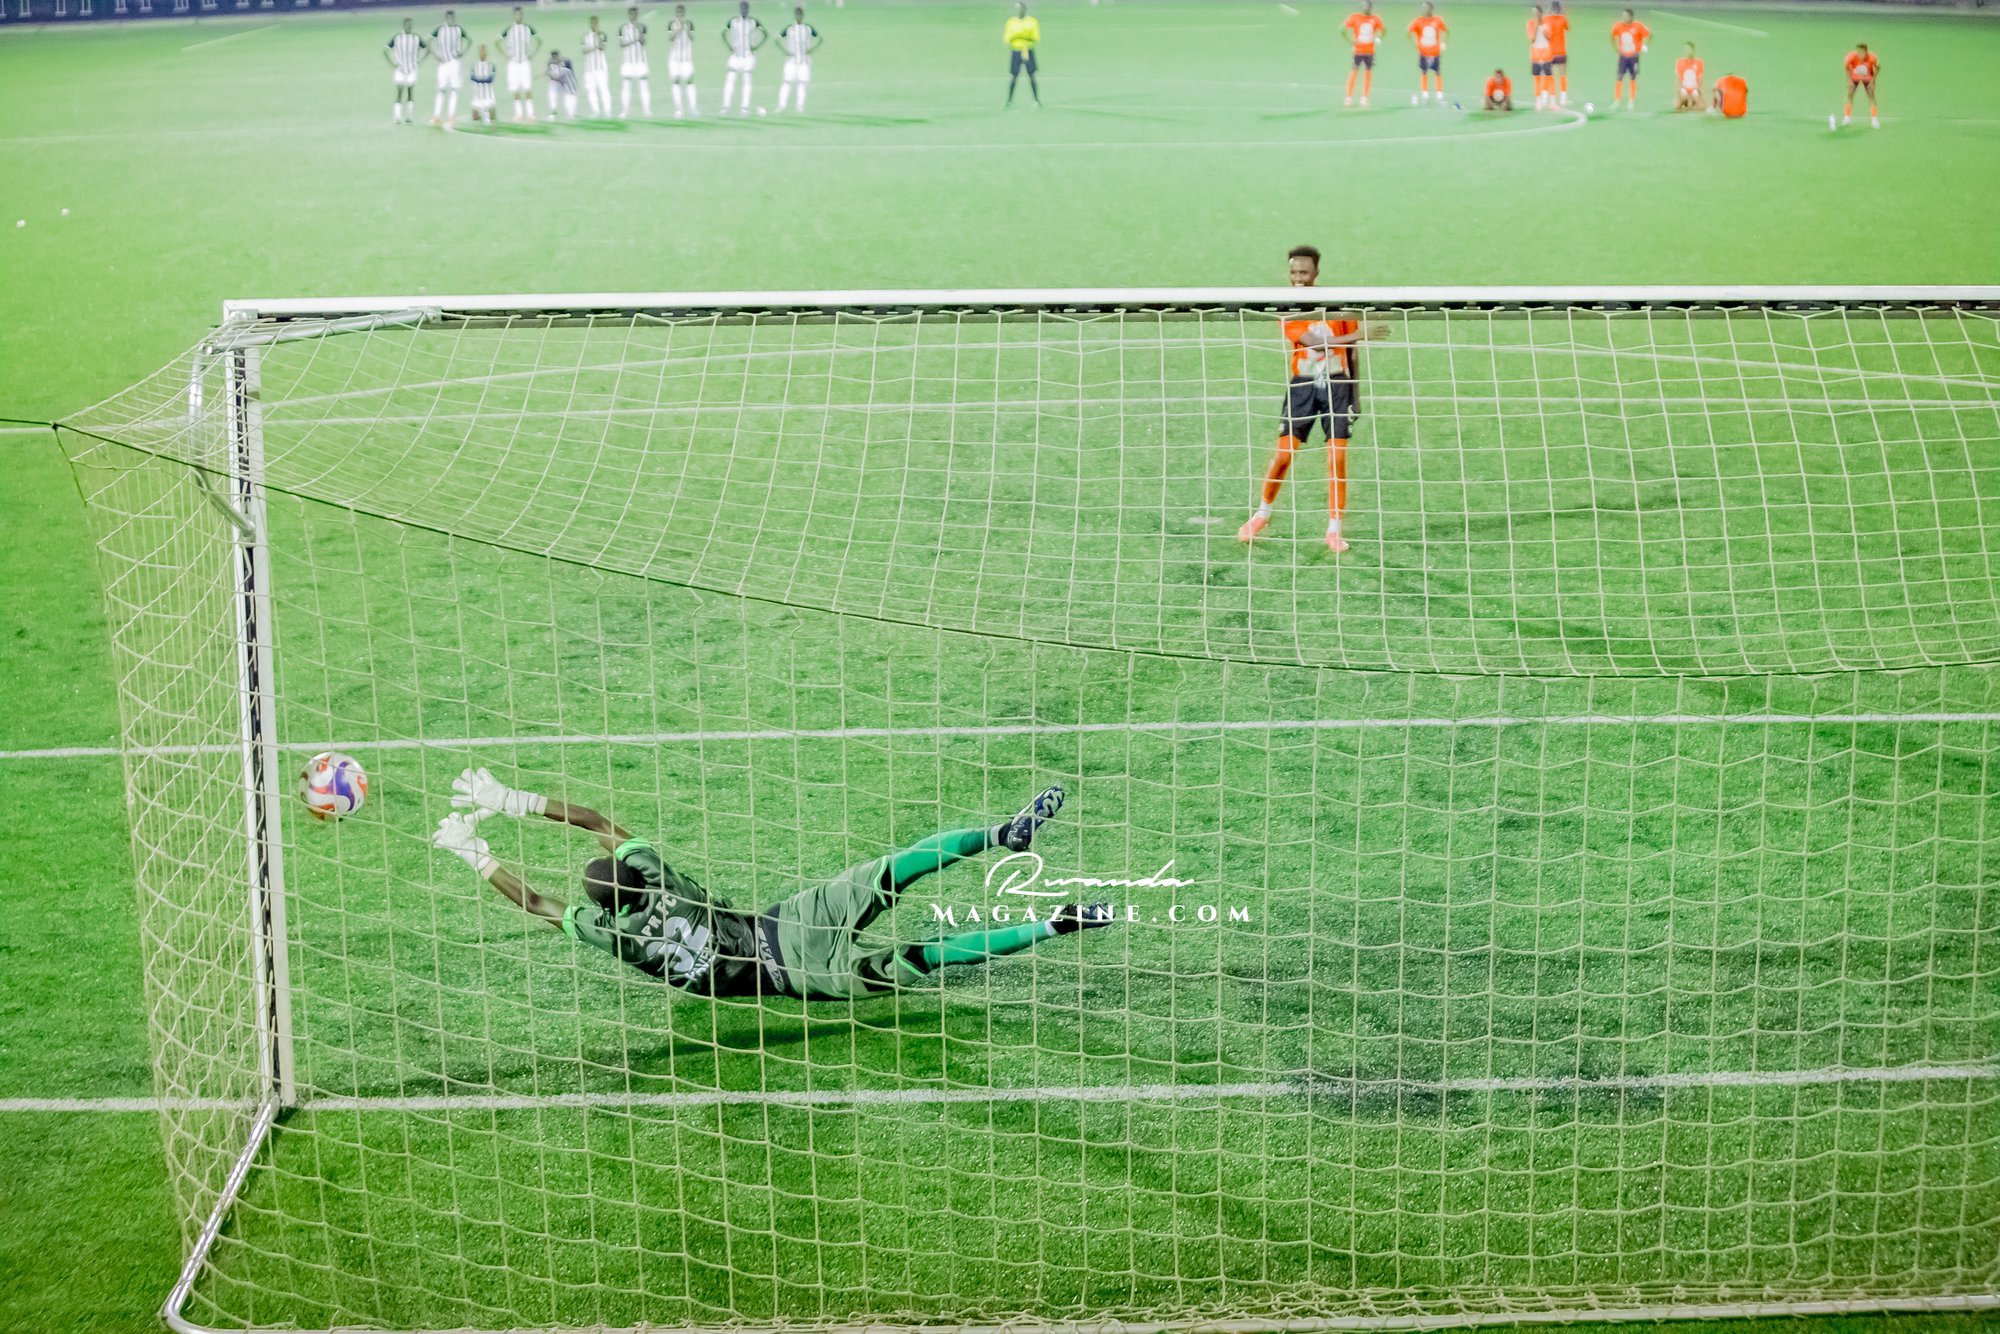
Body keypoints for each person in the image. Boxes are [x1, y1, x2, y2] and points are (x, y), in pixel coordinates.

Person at [432, 770, 1116, 1001]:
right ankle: (1000, 835)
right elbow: (596, 822)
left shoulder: (614, 937)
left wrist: (475, 856)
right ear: (634, 878)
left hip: (793, 977)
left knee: (923, 957)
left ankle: (1054, 923)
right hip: (785, 921)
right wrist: (511, 800)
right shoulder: (662, 880)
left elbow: (535, 903)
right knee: (895, 868)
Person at [1238, 246, 1385, 554]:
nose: (1298, 279)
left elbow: (1351, 353)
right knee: (1284, 454)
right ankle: (1262, 514)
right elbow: (1314, 343)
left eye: (1304, 272)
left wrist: (1356, 394)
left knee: (1337, 459)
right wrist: (1361, 333)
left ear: (1316, 272)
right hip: (1302, 386)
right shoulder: (1287, 308)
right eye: (1293, 273)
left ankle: (1334, 529)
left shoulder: (1335, 305)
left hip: (1337, 386)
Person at [722, 0, 767, 115]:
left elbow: (765, 34)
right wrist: (729, 46)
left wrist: (756, 47)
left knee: (747, 82)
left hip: (748, 56)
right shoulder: (733, 21)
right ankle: (726, 107)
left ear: (748, 9)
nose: (744, 10)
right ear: (740, 9)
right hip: (735, 56)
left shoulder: (753, 22)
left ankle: (744, 108)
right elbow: (723, 33)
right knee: (730, 80)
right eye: (742, 8)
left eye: (746, 8)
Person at [385, 18, 428, 126]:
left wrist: (420, 61)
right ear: (403, 26)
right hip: (400, 69)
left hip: (412, 69)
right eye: (407, 25)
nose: (409, 27)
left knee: (410, 92)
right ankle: (397, 117)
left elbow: (427, 49)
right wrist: (392, 63)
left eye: (410, 25)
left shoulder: (416, 38)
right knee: (399, 92)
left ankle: (409, 117)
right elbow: (385, 49)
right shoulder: (397, 38)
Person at [777, 6, 821, 112]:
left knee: (802, 84)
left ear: (802, 15)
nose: (799, 16)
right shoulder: (790, 28)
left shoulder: (808, 28)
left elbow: (820, 38)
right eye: (797, 14)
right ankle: (781, 106)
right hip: (791, 61)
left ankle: (799, 106)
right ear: (795, 15)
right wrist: (785, 51)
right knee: (787, 83)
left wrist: (812, 49)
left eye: (800, 14)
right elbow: (777, 39)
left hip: (804, 62)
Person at [501, 6, 541, 122]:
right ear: (513, 16)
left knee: (527, 87)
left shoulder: (528, 28)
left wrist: (533, 54)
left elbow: (539, 40)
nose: (518, 16)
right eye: (516, 14)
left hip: (524, 62)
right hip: (513, 63)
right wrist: (505, 54)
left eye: (520, 14)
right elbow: (497, 40)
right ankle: (518, 113)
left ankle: (530, 113)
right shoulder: (509, 29)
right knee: (515, 88)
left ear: (522, 15)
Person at [1343, 1, 1384, 107]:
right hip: (1359, 51)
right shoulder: (1355, 17)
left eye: (1367, 6)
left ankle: (1363, 97)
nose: (1365, 8)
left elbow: (1383, 30)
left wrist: (1378, 38)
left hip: (1369, 51)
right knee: (1355, 72)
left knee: (1367, 73)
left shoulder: (1375, 19)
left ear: (1371, 7)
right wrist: (1351, 42)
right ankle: (1350, 97)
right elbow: (1342, 29)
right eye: (1364, 6)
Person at [431, 10, 467, 128]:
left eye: (452, 18)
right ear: (446, 18)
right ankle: (436, 116)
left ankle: (451, 115)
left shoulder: (458, 29)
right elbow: (428, 40)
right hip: (443, 63)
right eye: (449, 18)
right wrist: (436, 55)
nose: (450, 20)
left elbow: (469, 40)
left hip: (455, 63)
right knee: (441, 89)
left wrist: (463, 52)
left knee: (453, 89)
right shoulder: (440, 29)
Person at [1407, 1, 1447, 104]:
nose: (1424, 10)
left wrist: (1443, 43)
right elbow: (1409, 32)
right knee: (1424, 71)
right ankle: (1425, 92)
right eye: (1423, 8)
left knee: (1437, 72)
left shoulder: (1437, 20)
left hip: (1435, 52)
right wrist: (1415, 44)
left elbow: (1446, 31)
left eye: (1426, 7)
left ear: (1431, 9)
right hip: (1424, 52)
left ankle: (1439, 93)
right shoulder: (1418, 21)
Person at [1609, 8, 1648, 109]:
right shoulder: (1618, 26)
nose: (1624, 18)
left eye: (1626, 16)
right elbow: (1612, 35)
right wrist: (1615, 48)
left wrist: (1644, 46)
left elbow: (1648, 35)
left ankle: (1631, 101)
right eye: (1623, 16)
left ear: (1631, 17)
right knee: (1619, 77)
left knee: (1632, 78)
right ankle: (1617, 100)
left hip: (1634, 57)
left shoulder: (1638, 26)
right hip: (1623, 56)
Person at [1005, 2, 1041, 108]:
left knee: (1032, 75)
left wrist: (1018, 35)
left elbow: (1035, 37)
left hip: (1028, 50)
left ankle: (1036, 100)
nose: (1018, 11)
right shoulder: (1011, 22)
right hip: (1016, 51)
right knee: (1014, 76)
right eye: (1016, 9)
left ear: (1024, 9)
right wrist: (1023, 35)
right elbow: (1007, 38)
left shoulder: (1032, 21)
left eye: (1020, 9)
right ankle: (1009, 101)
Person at [620, 6, 654, 117]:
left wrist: (639, 32)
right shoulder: (623, 28)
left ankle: (647, 110)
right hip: (628, 62)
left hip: (640, 61)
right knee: (626, 86)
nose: (633, 16)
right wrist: (634, 39)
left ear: (637, 15)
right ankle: (625, 111)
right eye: (631, 14)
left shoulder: (642, 27)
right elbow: (622, 44)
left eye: (635, 14)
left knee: (643, 85)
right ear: (628, 15)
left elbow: (643, 42)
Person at [664, 4, 696, 117]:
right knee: (676, 81)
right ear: (676, 13)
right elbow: (671, 38)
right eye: (678, 12)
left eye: (682, 12)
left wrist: (685, 29)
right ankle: (678, 109)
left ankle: (693, 109)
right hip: (675, 59)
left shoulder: (689, 24)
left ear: (684, 13)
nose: (680, 14)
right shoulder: (671, 24)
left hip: (687, 59)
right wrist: (678, 29)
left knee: (690, 81)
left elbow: (692, 38)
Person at [581, 16, 613, 117]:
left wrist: (597, 39)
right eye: (592, 23)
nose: (594, 25)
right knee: (591, 90)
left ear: (598, 24)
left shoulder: (602, 35)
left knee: (604, 89)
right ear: (590, 23)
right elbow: (584, 51)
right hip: (589, 68)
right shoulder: (585, 36)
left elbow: (602, 47)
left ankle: (607, 111)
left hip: (601, 68)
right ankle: (595, 111)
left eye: (595, 23)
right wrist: (594, 47)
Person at [1844, 43, 1879, 127]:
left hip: (1867, 78)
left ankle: (1874, 120)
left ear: (1866, 52)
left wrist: (1873, 81)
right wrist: (1850, 81)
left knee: (1871, 96)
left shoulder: (1872, 58)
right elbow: (1846, 67)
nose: (1859, 53)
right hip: (1854, 77)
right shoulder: (1851, 56)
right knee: (1849, 95)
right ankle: (1847, 118)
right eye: (1858, 51)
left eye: (1861, 52)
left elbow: (1878, 67)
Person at [1528, 5, 1554, 110]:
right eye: (1533, 13)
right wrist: (1536, 25)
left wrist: (1542, 27)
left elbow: (1549, 37)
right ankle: (1538, 101)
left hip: (1546, 54)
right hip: (1535, 55)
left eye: (1537, 13)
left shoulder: (1547, 23)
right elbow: (1532, 39)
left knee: (1549, 77)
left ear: (1541, 13)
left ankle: (1551, 102)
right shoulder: (1530, 23)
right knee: (1537, 78)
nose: (1535, 15)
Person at [1544, 0, 1570, 105]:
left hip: (1549, 52)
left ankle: (1545, 97)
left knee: (1548, 75)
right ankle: (1563, 98)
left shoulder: (1546, 18)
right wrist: (1564, 14)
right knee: (1562, 75)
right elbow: (1567, 28)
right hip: (1561, 51)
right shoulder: (1563, 18)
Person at [546, 48, 579, 119]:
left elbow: (569, 74)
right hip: (558, 82)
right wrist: (552, 76)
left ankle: (571, 114)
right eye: (553, 58)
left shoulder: (566, 62)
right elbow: (550, 74)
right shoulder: (550, 63)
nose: (555, 60)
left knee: (569, 98)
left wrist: (557, 77)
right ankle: (553, 112)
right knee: (552, 92)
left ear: (559, 56)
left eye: (556, 57)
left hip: (568, 83)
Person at [469, 44, 498, 124]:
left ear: (487, 53)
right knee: (475, 119)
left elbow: (490, 79)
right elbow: (472, 78)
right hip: (477, 97)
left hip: (489, 96)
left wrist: (479, 79)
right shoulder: (474, 66)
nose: (483, 53)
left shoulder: (491, 66)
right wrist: (482, 79)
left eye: (484, 51)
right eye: (481, 52)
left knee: (493, 118)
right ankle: (482, 113)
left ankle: (488, 114)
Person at [1673, 42, 1702, 111]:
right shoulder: (1679, 62)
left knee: (1702, 107)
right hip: (1684, 89)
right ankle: (1685, 103)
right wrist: (1681, 89)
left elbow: (1700, 78)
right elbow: (1678, 78)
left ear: (1693, 50)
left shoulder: (1699, 62)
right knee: (1677, 107)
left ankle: (1692, 104)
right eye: (1686, 49)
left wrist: (1697, 90)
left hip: (1694, 89)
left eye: (1689, 49)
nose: (1687, 51)